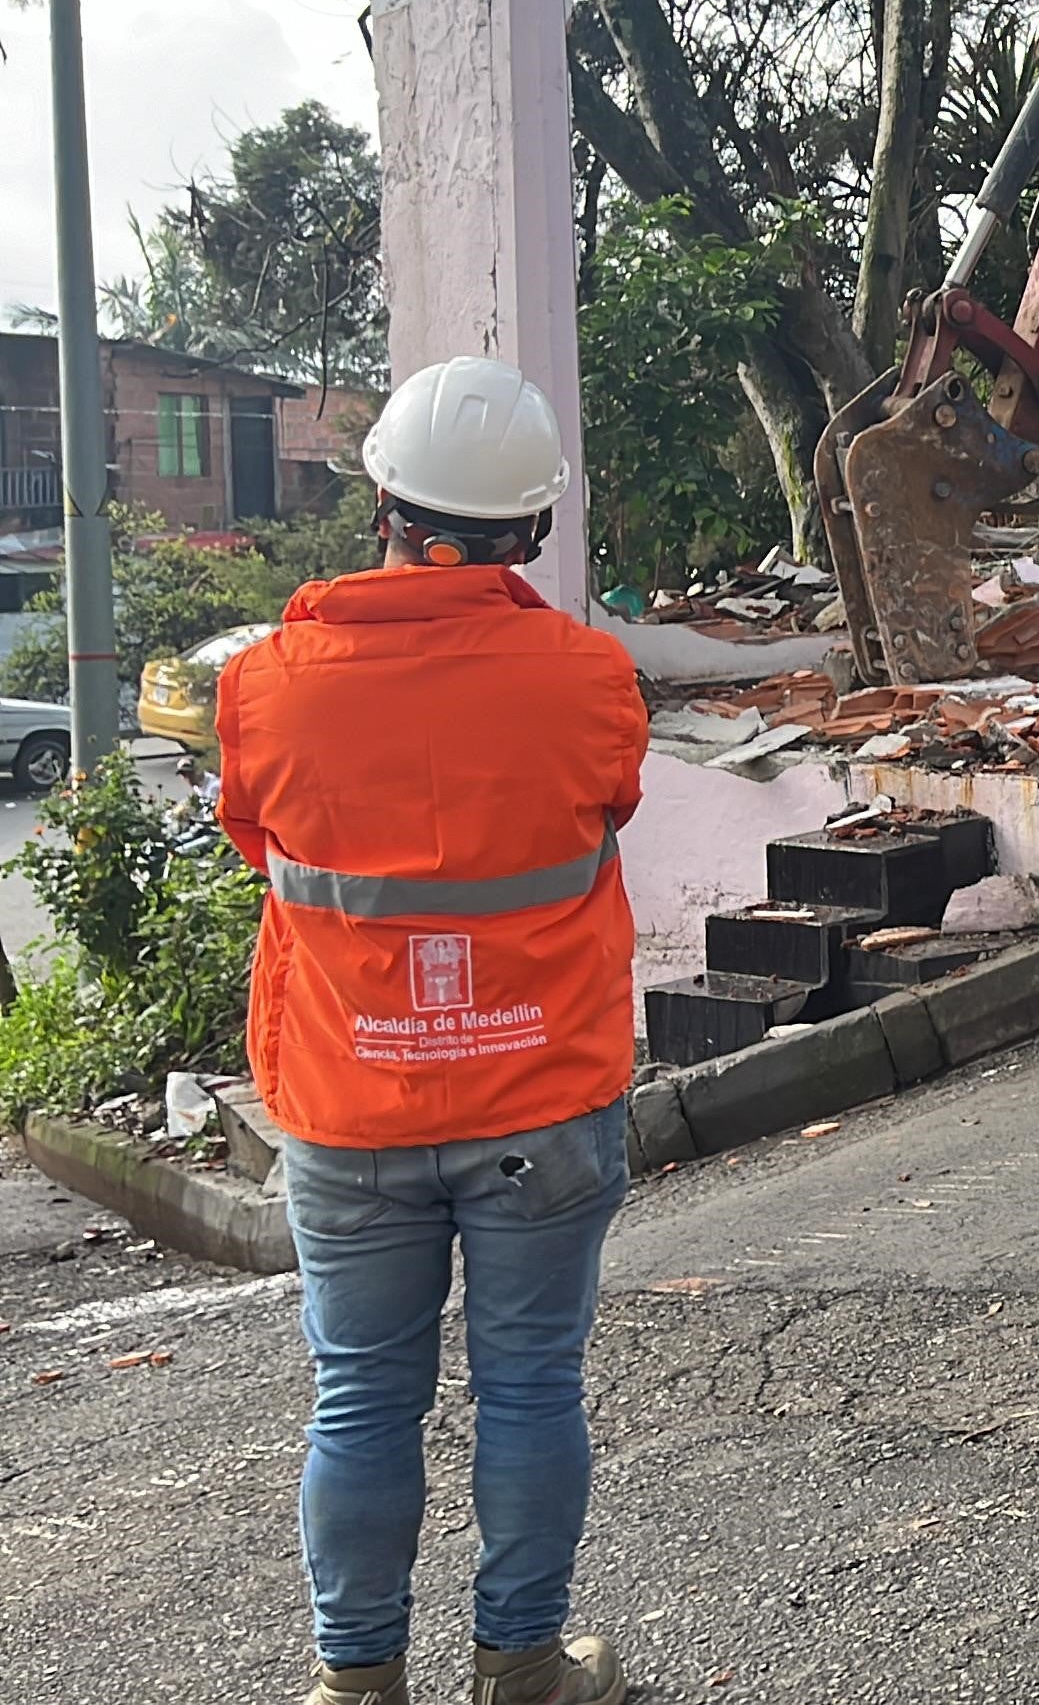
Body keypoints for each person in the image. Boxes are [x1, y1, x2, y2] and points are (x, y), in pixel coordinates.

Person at [221, 356, 649, 1705]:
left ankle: (358, 1683)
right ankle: (522, 1660)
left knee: (359, 1399)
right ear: (528, 531)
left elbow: (260, 841)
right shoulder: (589, 678)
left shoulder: (268, 686)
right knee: (529, 1387)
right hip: (541, 1100)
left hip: (352, 1106)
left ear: (385, 500)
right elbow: (612, 801)